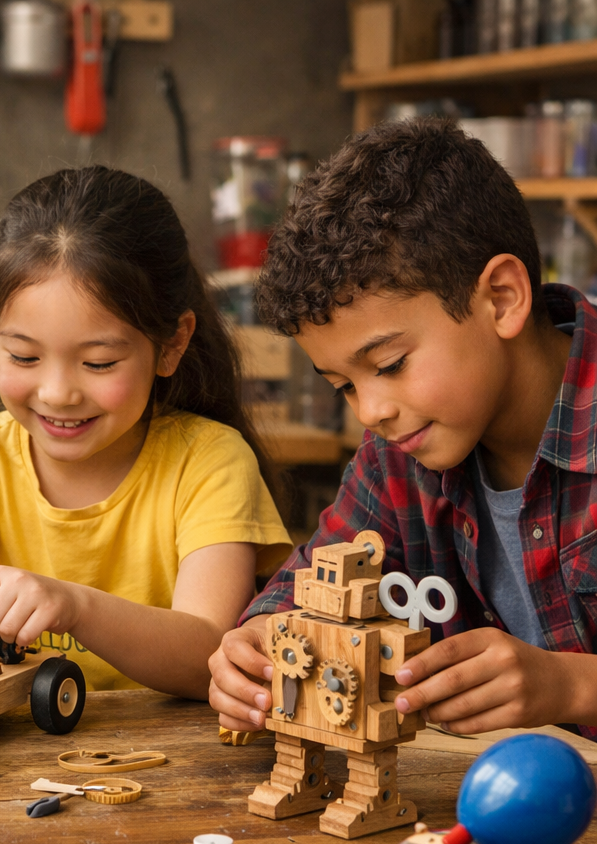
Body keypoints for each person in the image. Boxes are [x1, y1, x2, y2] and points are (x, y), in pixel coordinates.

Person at [209, 118, 597, 741]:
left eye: (389, 365)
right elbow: (306, 590)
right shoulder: (400, 455)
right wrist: (257, 646)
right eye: (344, 386)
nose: (370, 411)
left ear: (500, 298)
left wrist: (573, 686)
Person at [0, 167, 291, 696]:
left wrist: (75, 606)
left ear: (170, 345)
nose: (57, 393)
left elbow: (210, 655)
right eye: (23, 356)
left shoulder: (210, 460)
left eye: (98, 363)